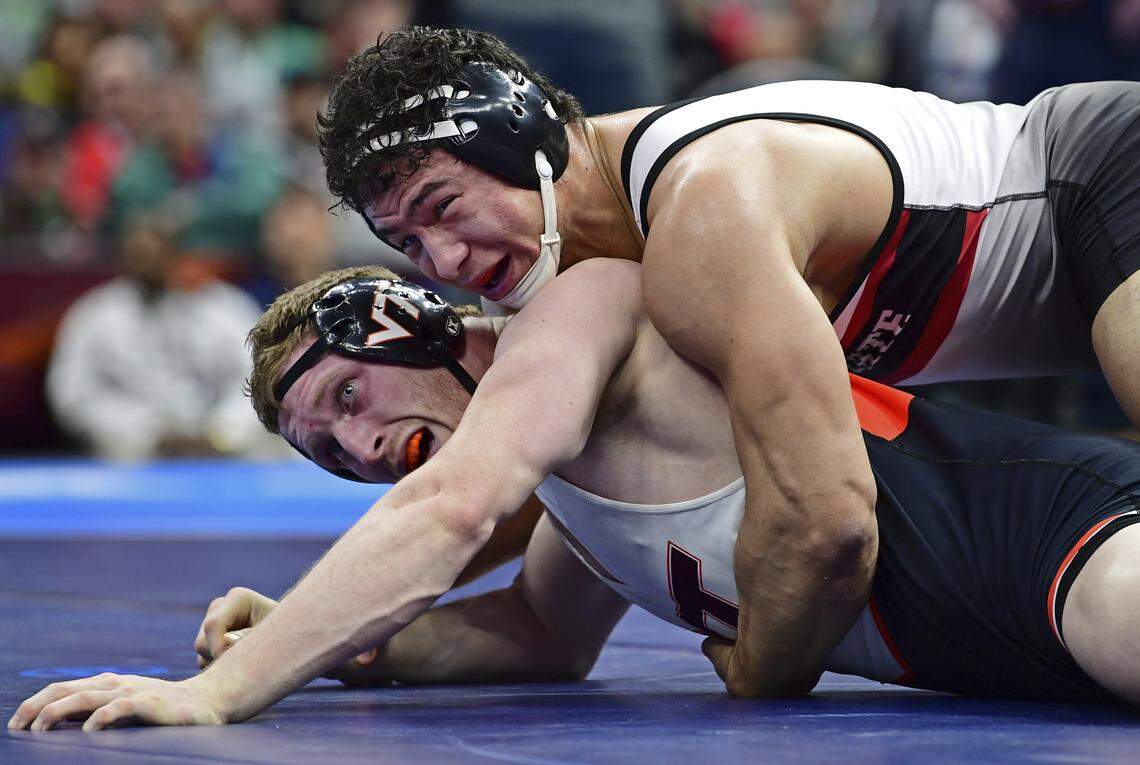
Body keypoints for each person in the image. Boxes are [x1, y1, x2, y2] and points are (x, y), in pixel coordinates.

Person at [315, 28, 1140, 697]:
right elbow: (557, 495)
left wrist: (762, 666)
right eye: (409, 243)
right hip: (1067, 283)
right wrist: (341, 617)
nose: (447, 261)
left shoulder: (703, 207)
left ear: (524, 140)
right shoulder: (578, 280)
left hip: (1100, 173)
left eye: (445, 208)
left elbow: (829, 519)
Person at [11, 261, 1140, 731]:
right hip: (999, 655)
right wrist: (349, 649)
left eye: (351, 393)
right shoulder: (560, 466)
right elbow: (541, 631)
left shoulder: (580, 311)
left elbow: (449, 513)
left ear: (415, 325)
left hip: (1052, 537)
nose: (361, 443)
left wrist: (221, 693)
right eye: (328, 445)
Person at [45, 215, 276, 460]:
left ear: (177, 254)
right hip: (129, 454)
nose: (148, 262)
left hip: (222, 451)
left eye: (157, 252)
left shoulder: (224, 308)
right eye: (140, 254)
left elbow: (258, 376)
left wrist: (220, 431)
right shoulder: (94, 316)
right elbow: (72, 396)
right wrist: (148, 433)